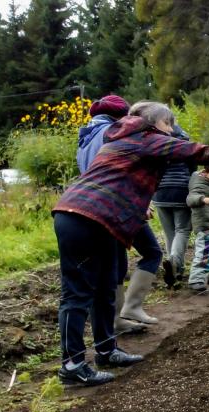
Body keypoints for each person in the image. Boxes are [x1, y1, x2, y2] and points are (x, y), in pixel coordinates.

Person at [53, 101, 209, 386]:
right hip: (83, 216)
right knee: (77, 294)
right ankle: (72, 365)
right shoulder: (144, 136)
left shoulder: (123, 137)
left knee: (105, 288)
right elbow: (194, 150)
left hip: (101, 217)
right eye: (169, 125)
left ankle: (106, 349)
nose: (172, 131)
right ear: (156, 124)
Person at [76, 95, 149, 334]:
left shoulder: (85, 137)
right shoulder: (111, 132)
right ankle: (120, 318)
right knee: (128, 259)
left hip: (93, 204)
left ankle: (117, 318)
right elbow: (119, 169)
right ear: (121, 115)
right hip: (115, 205)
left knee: (114, 263)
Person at [153, 125, 196, 288]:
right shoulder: (186, 145)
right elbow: (193, 170)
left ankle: (176, 270)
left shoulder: (157, 143)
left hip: (160, 193)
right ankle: (175, 264)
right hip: (180, 191)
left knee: (169, 232)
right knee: (183, 230)